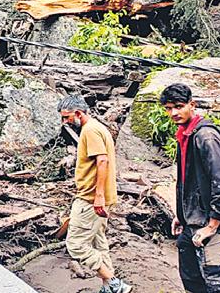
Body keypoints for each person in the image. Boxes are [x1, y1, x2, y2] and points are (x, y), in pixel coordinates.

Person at [162, 84, 220, 293]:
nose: (173, 113)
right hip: (192, 221)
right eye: (168, 108)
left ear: (192, 105)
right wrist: (182, 214)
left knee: (218, 284)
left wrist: (212, 226)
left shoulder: (206, 137)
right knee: (191, 278)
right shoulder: (185, 134)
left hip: (212, 224)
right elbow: (189, 181)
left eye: (178, 106)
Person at [58, 95, 131, 293]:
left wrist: (98, 196)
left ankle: (114, 282)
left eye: (67, 117)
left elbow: (102, 161)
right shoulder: (98, 128)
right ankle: (109, 287)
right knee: (99, 242)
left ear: (79, 113)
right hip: (98, 197)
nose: (65, 122)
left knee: (75, 245)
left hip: (90, 199)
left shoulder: (90, 130)